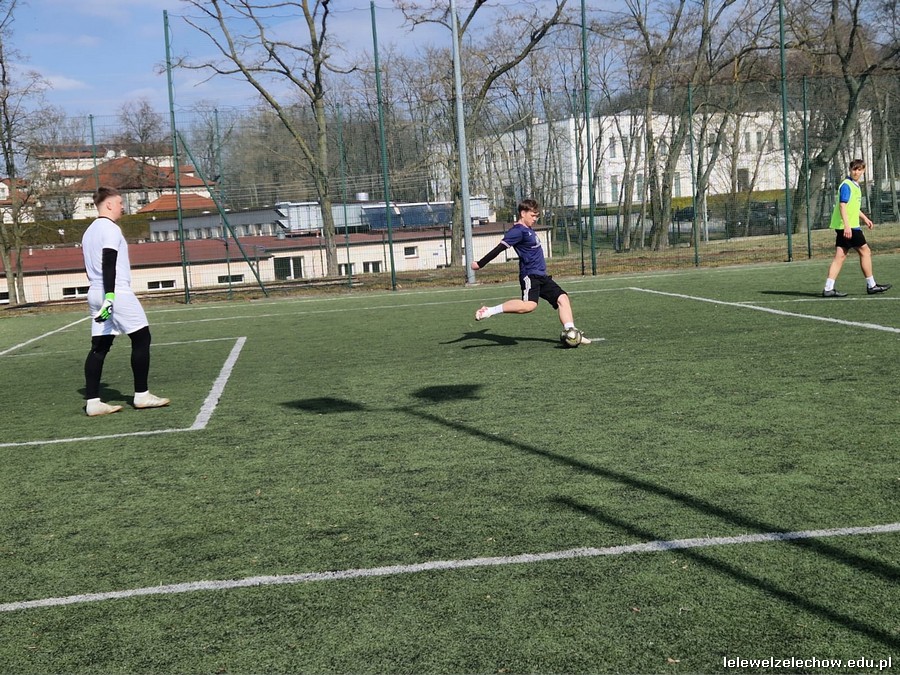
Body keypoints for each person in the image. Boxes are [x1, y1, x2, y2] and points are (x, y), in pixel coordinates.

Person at [82, 186, 170, 416]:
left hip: (95, 292)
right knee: (142, 337)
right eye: (120, 203)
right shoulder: (110, 228)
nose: (123, 207)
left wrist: (103, 295)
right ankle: (142, 395)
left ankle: (93, 402)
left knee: (99, 347)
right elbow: (108, 261)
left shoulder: (89, 232)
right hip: (115, 293)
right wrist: (110, 296)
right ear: (109, 204)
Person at [471, 198, 592, 344]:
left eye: (536, 216)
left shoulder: (528, 229)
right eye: (533, 215)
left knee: (562, 298)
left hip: (541, 275)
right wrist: (480, 264)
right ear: (523, 213)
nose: (535, 219)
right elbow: (499, 249)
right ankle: (489, 311)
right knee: (529, 305)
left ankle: (572, 333)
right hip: (530, 275)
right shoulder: (517, 231)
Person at [822, 159, 891, 297]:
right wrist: (847, 226)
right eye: (854, 169)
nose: (856, 172)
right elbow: (842, 206)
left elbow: (852, 207)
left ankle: (828, 288)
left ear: (863, 171)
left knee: (840, 256)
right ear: (850, 170)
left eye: (859, 170)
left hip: (846, 226)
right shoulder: (847, 185)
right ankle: (871, 285)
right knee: (865, 252)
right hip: (849, 227)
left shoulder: (855, 186)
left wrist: (865, 218)